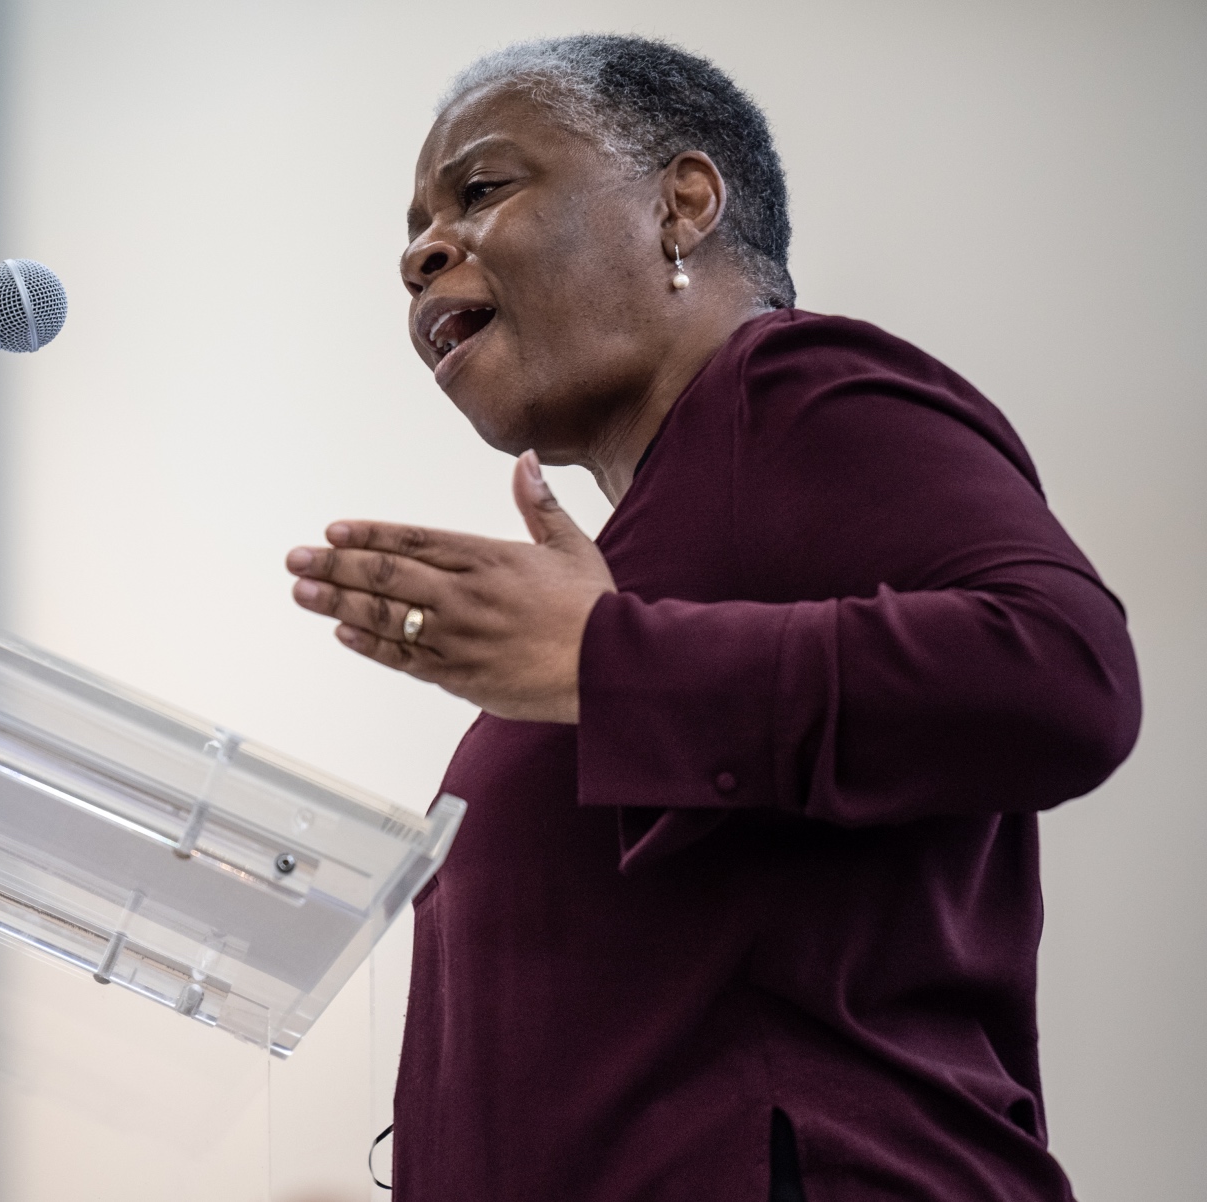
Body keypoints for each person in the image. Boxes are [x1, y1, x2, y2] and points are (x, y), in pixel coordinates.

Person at [283, 35, 1140, 1202]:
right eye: (413, 236)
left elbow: (1063, 672)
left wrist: (604, 660)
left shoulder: (787, 389)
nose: (422, 253)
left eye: (480, 191)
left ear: (681, 203)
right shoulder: (635, 560)